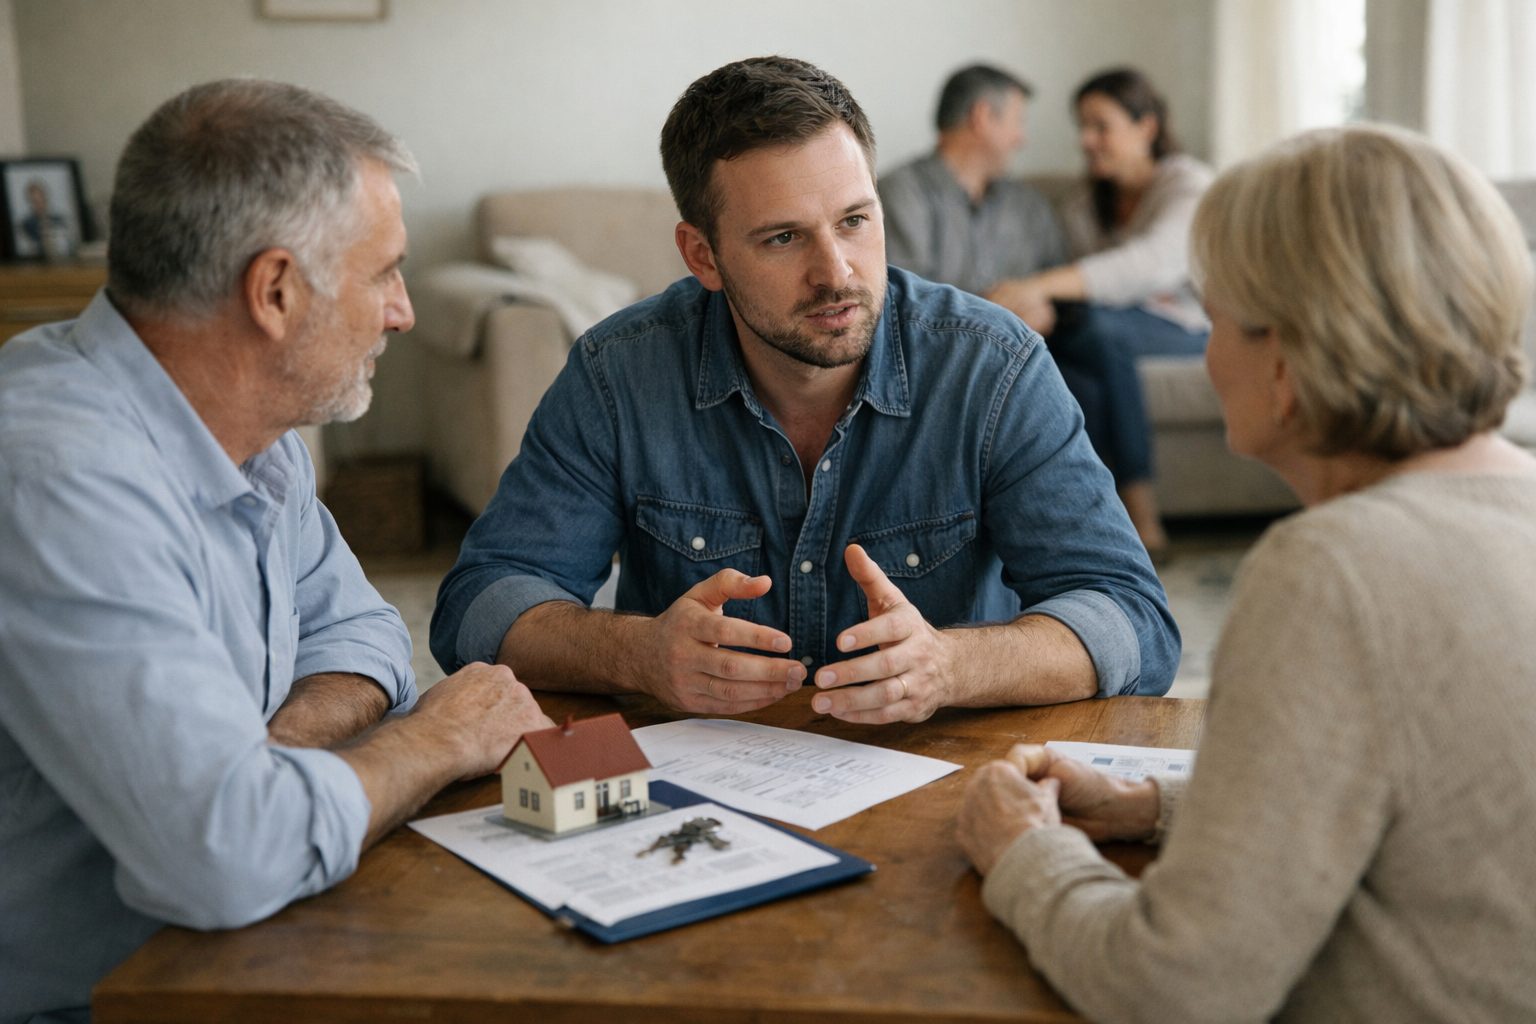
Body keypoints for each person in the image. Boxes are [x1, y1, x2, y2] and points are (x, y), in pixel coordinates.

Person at [0, 80, 553, 1022]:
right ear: (276, 290)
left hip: (244, 953)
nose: (403, 312)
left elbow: (369, 635)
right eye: (384, 274)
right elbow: (228, 853)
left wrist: (273, 758)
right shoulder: (56, 475)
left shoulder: (257, 439)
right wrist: (437, 737)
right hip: (95, 998)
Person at [957, 125, 1536, 1023]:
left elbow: (1172, 989)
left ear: (1288, 358)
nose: (1208, 352)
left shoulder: (1333, 574)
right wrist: (1152, 804)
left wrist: (1025, 851)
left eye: (1214, 317)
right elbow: (1440, 802)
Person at [431, 57, 1179, 726]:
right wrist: (637, 653)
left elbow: (1135, 623)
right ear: (703, 255)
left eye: (855, 221)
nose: (838, 273)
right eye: (783, 238)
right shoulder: (618, 372)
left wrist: (950, 667)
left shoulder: (993, 366)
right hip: (705, 793)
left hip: (944, 783)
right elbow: (479, 605)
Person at [988, 68, 1214, 557]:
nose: (1086, 140)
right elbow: (1079, 295)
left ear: (1146, 127)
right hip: (1099, 332)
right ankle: (1089, 520)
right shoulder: (1083, 207)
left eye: (1100, 125)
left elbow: (1144, 267)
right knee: (1077, 368)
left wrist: (1034, 288)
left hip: (1186, 329)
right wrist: (1040, 305)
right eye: (1082, 126)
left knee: (1099, 331)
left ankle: (1142, 514)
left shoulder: (1189, 186)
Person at [880, 64, 1067, 296]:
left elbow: (1058, 281)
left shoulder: (1027, 202)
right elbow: (904, 299)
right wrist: (996, 317)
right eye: (1018, 121)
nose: (1022, 139)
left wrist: (1046, 308)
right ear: (983, 116)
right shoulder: (901, 192)